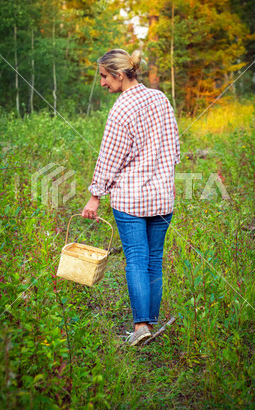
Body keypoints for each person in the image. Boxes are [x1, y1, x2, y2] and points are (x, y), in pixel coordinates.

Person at [82, 49, 180, 346]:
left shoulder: (122, 108)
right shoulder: (160, 99)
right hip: (162, 198)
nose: (101, 83)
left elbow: (110, 157)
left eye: (103, 76)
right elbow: (174, 148)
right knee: (154, 260)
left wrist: (95, 196)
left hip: (131, 200)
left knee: (136, 260)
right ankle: (148, 324)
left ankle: (140, 328)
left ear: (120, 74)